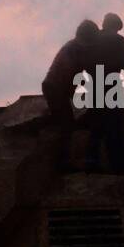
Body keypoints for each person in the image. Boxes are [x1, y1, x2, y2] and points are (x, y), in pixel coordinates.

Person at [41, 20, 100, 167]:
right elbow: (75, 70)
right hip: (56, 88)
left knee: (63, 121)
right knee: (66, 125)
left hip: (55, 88)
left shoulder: (74, 46)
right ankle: (62, 162)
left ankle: (61, 159)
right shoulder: (76, 48)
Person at [86, 13, 124, 172]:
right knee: (115, 126)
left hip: (94, 85)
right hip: (112, 86)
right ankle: (118, 166)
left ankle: (92, 163)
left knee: (96, 126)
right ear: (115, 26)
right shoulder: (119, 40)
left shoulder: (92, 39)